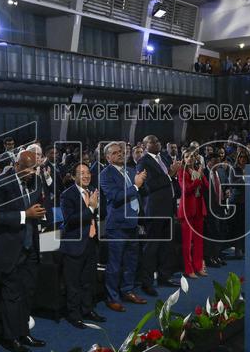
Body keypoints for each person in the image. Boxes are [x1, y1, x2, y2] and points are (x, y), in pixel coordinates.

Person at [0, 151, 49, 352]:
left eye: (34, 168)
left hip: (30, 247)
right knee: (12, 295)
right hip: (8, 249)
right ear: (16, 165)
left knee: (27, 292)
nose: (31, 172)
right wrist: (24, 215)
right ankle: (11, 338)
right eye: (27, 168)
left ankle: (24, 332)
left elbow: (40, 203)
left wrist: (40, 215)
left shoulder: (35, 180)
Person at [99, 142, 148, 312]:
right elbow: (115, 197)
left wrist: (142, 183)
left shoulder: (130, 170)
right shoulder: (105, 174)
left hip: (133, 223)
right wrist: (135, 186)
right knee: (115, 264)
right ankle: (112, 297)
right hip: (117, 226)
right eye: (115, 153)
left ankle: (128, 290)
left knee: (131, 261)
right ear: (107, 157)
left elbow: (141, 193)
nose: (120, 154)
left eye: (121, 152)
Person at [58, 164, 106, 329]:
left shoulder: (93, 191)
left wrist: (98, 206)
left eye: (88, 173)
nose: (86, 176)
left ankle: (88, 309)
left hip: (91, 243)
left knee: (88, 281)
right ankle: (74, 315)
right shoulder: (67, 195)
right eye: (82, 173)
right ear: (73, 176)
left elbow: (100, 214)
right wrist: (91, 207)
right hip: (74, 246)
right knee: (74, 284)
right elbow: (70, 220)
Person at [135, 135, 181, 293]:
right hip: (154, 211)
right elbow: (147, 186)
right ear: (145, 145)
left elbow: (171, 180)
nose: (157, 143)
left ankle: (164, 276)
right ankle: (147, 283)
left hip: (168, 208)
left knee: (167, 246)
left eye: (158, 140)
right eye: (153, 141)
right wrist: (169, 175)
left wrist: (173, 177)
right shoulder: (143, 162)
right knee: (151, 247)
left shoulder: (165, 159)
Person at [177, 149, 208, 278]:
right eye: (187, 156)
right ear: (183, 159)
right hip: (187, 210)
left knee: (199, 241)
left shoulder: (198, 171)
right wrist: (197, 179)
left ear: (196, 158)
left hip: (199, 209)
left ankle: (198, 267)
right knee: (187, 242)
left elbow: (206, 186)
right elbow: (187, 189)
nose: (189, 158)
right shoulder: (181, 172)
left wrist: (200, 175)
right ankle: (188, 269)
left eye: (192, 156)